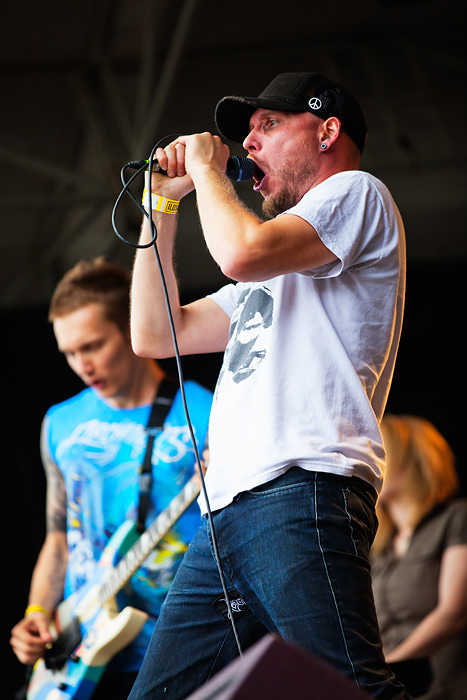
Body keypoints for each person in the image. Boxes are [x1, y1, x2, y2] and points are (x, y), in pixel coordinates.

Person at [128, 72, 410, 699]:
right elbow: (155, 332)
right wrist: (161, 207)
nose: (249, 144)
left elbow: (241, 251)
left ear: (327, 131)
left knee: (353, 687)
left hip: (300, 486)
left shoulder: (357, 192)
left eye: (270, 125)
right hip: (226, 514)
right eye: (247, 134)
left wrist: (207, 169)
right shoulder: (271, 276)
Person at [9, 258, 213, 699]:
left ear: (131, 328)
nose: (81, 364)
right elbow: (58, 538)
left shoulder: (206, 414)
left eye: (93, 346)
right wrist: (38, 610)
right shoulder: (59, 423)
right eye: (69, 352)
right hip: (80, 647)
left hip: (178, 649)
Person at [371, 414, 467, 699]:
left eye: (379, 453)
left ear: (409, 462)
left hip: (446, 688)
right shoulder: (379, 543)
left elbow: (454, 613)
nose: (369, 464)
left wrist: (383, 670)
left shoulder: (457, 518)